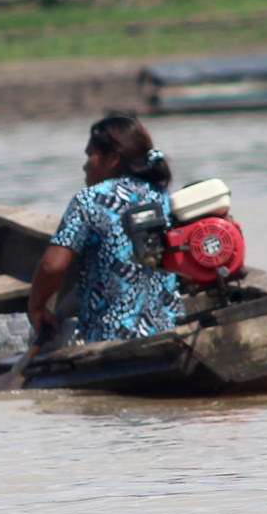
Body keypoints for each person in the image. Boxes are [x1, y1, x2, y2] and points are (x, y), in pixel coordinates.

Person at [27, 115, 182, 345]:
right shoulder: (161, 196)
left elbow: (52, 266)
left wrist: (36, 307)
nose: (85, 165)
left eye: (90, 155)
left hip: (110, 338)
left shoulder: (89, 200)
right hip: (167, 331)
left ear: (113, 158)